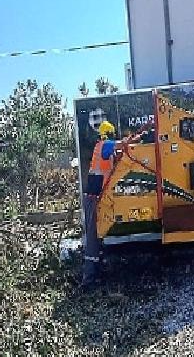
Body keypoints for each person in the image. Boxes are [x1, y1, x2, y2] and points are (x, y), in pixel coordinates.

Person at [82, 120, 117, 287]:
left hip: (96, 198)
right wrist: (137, 138)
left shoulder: (102, 147)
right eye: (111, 134)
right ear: (107, 134)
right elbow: (120, 145)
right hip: (92, 198)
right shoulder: (104, 146)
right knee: (93, 239)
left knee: (98, 236)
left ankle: (97, 274)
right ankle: (88, 280)